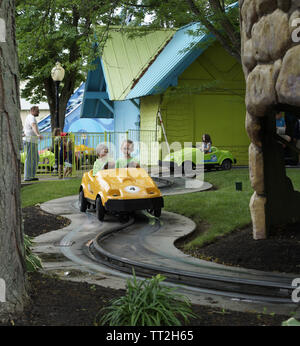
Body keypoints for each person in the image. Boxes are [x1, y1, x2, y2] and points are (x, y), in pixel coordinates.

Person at [24, 106, 43, 181]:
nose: (38, 112)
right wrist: (38, 134)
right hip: (30, 140)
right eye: (37, 111)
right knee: (29, 158)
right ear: (32, 110)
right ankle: (27, 176)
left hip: (32, 140)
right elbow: (33, 125)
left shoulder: (30, 117)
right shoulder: (31, 117)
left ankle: (31, 175)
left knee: (35, 158)